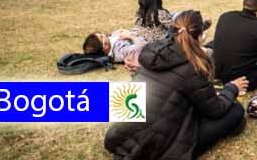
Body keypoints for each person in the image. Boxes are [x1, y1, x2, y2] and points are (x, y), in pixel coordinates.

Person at [104, 10, 248, 159]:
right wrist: (232, 88)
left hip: (125, 136)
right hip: (159, 147)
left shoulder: (152, 52)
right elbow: (215, 110)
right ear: (200, 37)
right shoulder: (192, 68)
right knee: (235, 111)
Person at [82, 30, 147, 65]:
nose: (104, 34)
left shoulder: (109, 42)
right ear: (105, 46)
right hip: (148, 36)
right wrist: (130, 36)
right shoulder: (120, 52)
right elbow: (142, 46)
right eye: (102, 36)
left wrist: (120, 31)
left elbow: (112, 36)